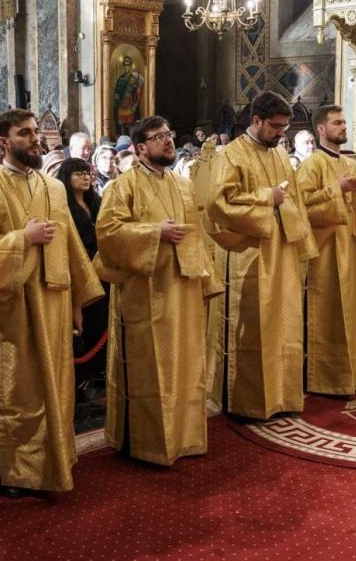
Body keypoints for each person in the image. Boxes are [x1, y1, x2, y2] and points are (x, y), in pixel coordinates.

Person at [0, 108, 103, 497]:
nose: (35, 138)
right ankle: (15, 471)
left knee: (56, 385)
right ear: (3, 141)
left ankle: (55, 459)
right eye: (24, 133)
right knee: (17, 391)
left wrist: (77, 301)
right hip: (13, 307)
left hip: (55, 301)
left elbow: (71, 245)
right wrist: (21, 239)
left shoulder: (53, 187)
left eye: (35, 131)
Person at [96, 115, 220, 464]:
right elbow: (107, 234)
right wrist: (154, 233)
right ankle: (145, 443)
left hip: (184, 288)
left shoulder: (183, 185)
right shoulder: (122, 186)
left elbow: (195, 234)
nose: (168, 141)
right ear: (140, 148)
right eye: (158, 137)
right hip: (145, 293)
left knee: (185, 364)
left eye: (169, 134)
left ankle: (185, 436)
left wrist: (207, 281)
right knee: (150, 368)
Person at [205, 90, 316, 419]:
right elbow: (218, 204)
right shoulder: (231, 155)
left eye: (284, 127)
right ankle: (247, 402)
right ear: (256, 121)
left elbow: (293, 199)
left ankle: (282, 396)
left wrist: (302, 245)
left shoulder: (279, 153)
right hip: (249, 254)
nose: (281, 133)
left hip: (282, 250)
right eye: (276, 126)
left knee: (284, 326)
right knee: (254, 328)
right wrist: (267, 197)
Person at [296, 104, 356, 394]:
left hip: (351, 249)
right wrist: (335, 190)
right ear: (321, 129)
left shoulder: (352, 165)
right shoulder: (311, 165)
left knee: (353, 314)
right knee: (327, 314)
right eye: (337, 123)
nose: (344, 127)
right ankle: (324, 379)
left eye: (344, 122)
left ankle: (352, 375)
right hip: (326, 253)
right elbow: (301, 207)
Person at [56, 157, 108, 404]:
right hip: (79, 270)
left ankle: (102, 372)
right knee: (85, 324)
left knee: (102, 321)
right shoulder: (63, 207)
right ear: (67, 178)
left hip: (101, 269)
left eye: (87, 173)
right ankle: (86, 378)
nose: (85, 178)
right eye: (78, 174)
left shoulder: (96, 202)